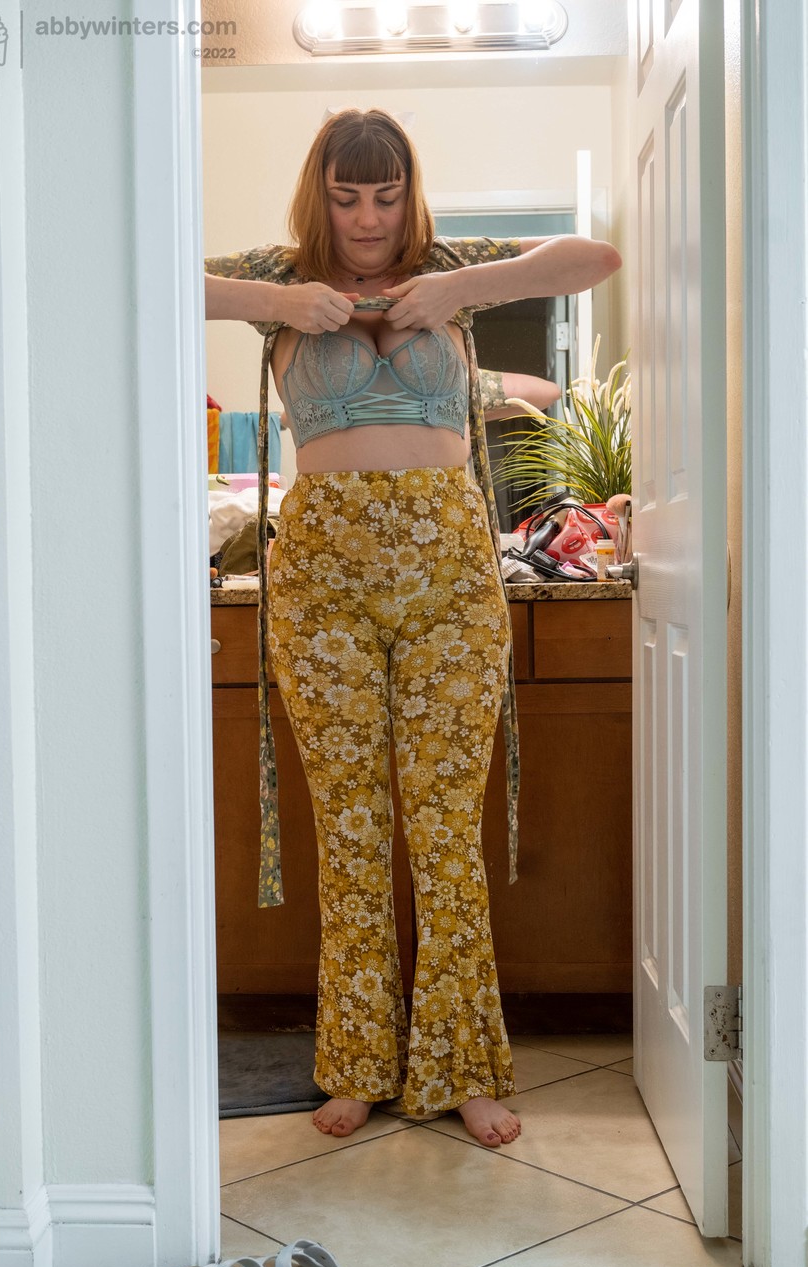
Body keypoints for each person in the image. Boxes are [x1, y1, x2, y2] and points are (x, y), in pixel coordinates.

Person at [204, 108, 621, 1148]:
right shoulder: (279, 275)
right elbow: (134, 278)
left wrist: (461, 290)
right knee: (351, 828)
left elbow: (595, 258)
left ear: (409, 195)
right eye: (346, 198)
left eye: (385, 197)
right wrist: (275, 302)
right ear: (319, 198)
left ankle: (460, 1066)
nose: (367, 219)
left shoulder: (448, 265)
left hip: (448, 577)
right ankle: (356, 1062)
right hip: (322, 582)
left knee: (442, 832)